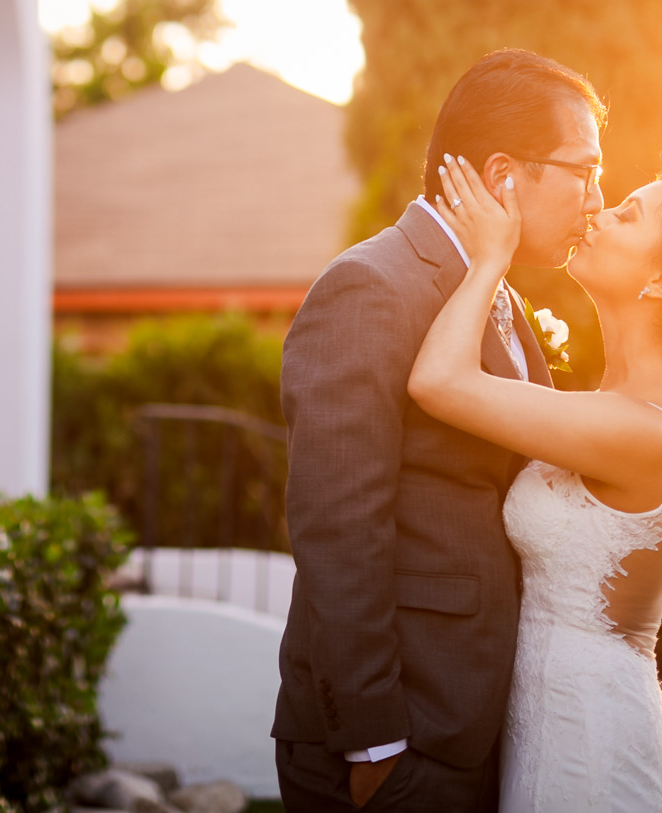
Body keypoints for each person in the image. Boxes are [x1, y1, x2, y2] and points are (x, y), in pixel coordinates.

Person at [409, 153, 662, 811]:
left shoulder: (650, 431)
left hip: (587, 746)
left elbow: (438, 382)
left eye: (628, 214)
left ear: (661, 278)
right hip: (553, 724)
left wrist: (490, 258)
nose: (598, 211)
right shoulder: (619, 406)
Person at [273, 48, 607, 811]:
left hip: (472, 724)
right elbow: (336, 527)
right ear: (503, 177)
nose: (596, 196)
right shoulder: (370, 286)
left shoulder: (504, 298)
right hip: (399, 737)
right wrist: (374, 741)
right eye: (583, 170)